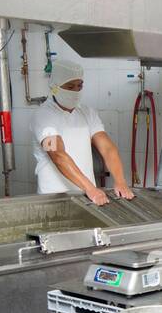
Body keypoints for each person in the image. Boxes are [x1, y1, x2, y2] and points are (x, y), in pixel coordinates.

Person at [33, 59, 134, 205]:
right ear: (55, 87)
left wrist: (120, 181)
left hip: (86, 196)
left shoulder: (87, 113)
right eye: (69, 86)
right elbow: (57, 154)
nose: (75, 91)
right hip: (54, 198)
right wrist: (90, 188)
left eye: (79, 86)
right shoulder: (43, 116)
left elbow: (107, 148)